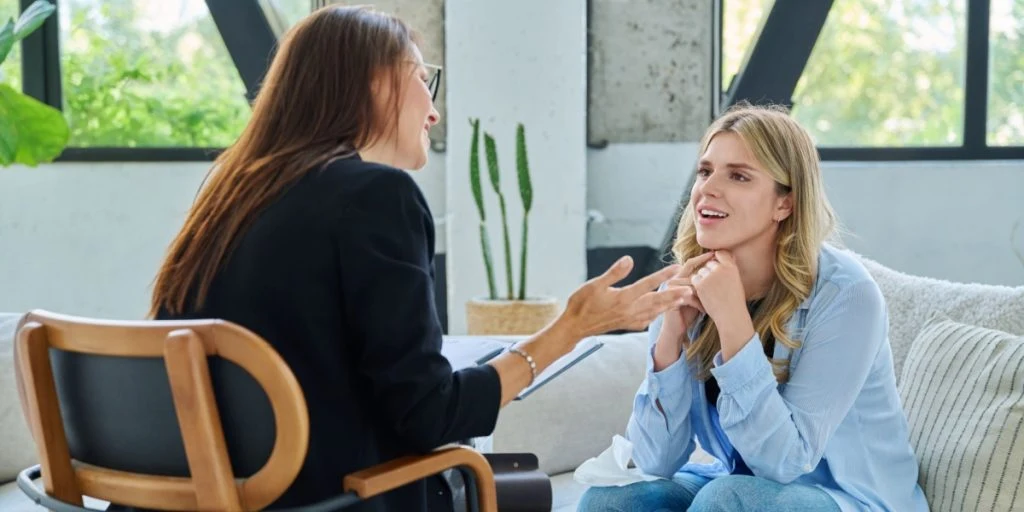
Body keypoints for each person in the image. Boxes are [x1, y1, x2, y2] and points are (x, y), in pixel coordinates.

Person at [148, 5, 687, 512]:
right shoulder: (377, 196)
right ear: (375, 81)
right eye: (422, 78)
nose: (433, 110)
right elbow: (428, 416)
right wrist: (573, 326)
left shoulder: (228, 196)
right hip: (334, 498)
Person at [578, 104, 928, 512]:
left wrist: (732, 321)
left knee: (726, 499)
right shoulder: (693, 281)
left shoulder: (846, 295)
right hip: (742, 490)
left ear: (785, 203)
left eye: (739, 176)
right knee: (611, 501)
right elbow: (655, 461)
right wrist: (670, 336)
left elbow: (785, 462)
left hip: (849, 498)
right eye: (706, 171)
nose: (708, 189)